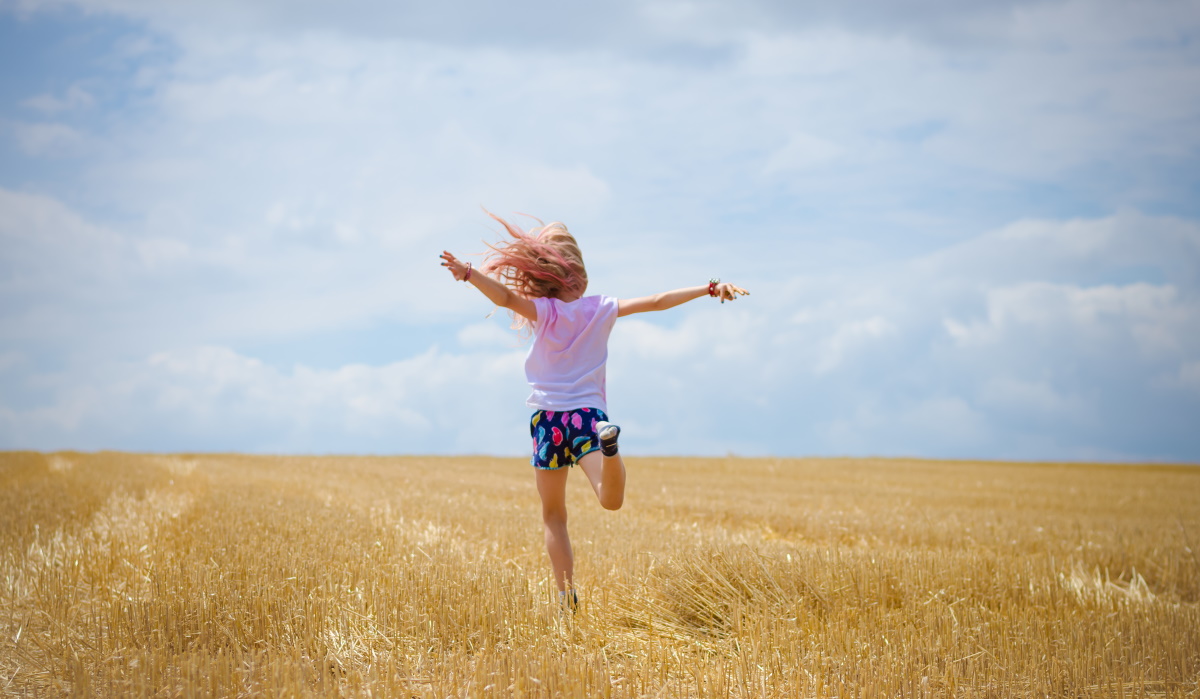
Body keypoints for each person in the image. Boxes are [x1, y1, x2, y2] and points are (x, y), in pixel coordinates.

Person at [440, 213, 748, 609]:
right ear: (580, 276)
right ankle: (610, 447)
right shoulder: (602, 308)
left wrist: (469, 274)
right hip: (588, 417)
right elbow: (657, 301)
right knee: (610, 500)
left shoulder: (545, 311)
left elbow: (503, 298)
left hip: (548, 421)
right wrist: (709, 288)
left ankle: (566, 597)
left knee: (554, 515)